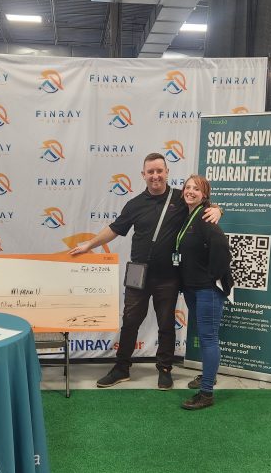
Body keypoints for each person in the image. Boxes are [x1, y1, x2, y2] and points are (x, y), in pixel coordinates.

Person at [69, 152, 221, 390]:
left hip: (169, 276)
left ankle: (165, 369)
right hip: (137, 274)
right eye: (150, 172)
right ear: (143, 175)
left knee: (166, 324)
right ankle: (121, 368)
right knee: (129, 322)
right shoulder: (134, 204)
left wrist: (218, 209)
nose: (155, 176)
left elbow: (202, 204)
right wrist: (89, 245)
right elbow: (114, 229)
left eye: (159, 171)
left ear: (167, 172)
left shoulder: (181, 198)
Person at [176, 175, 232, 410]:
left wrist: (212, 278)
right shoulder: (189, 214)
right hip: (192, 287)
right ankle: (208, 375)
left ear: (204, 194)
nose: (190, 191)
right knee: (205, 335)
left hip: (206, 289)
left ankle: (206, 392)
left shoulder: (206, 216)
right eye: (187, 187)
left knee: (209, 339)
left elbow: (221, 247)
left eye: (196, 189)